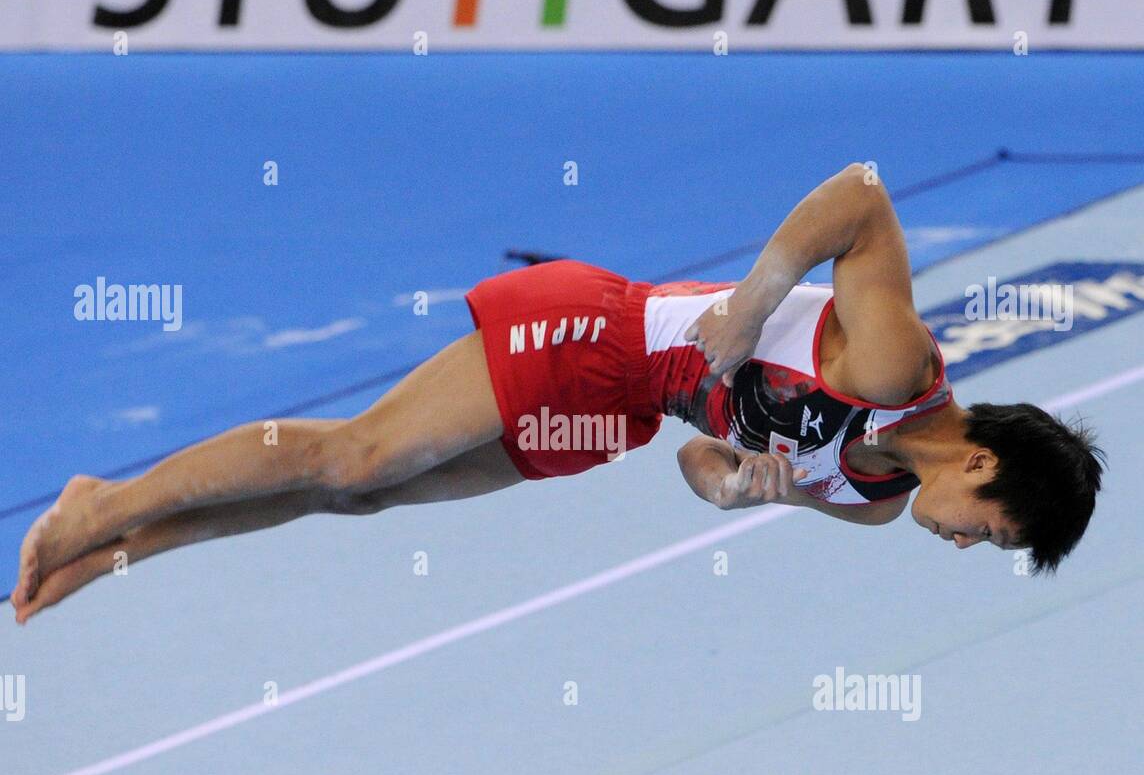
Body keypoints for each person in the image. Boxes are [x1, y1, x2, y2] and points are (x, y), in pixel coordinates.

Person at [11, 164, 1103, 623]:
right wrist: (758, 295)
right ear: (981, 463)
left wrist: (734, 491)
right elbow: (860, 197)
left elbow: (694, 458)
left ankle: (117, 547)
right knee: (354, 456)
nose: (969, 545)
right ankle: (103, 501)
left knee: (364, 498)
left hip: (619, 414)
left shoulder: (865, 500)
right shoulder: (892, 371)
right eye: (994, 532)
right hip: (588, 330)